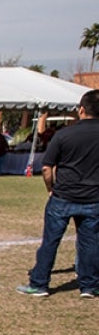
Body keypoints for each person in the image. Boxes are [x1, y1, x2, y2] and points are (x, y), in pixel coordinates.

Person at [16, 89, 99, 298]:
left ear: (81, 109)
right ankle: (89, 285)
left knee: (50, 241)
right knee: (90, 242)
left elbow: (47, 167)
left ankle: (40, 283)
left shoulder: (64, 134)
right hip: (93, 198)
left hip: (63, 196)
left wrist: (50, 188)